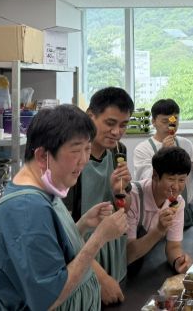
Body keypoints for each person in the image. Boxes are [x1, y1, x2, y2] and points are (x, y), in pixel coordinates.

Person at [0, 105, 129, 311]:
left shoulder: (45, 189)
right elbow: (48, 297)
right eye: (76, 150)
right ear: (42, 156)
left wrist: (82, 225)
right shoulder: (25, 210)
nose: (84, 160)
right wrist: (99, 238)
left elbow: (50, 250)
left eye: (87, 149)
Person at [64, 87, 133, 305]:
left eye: (123, 125)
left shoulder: (118, 151)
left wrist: (119, 191)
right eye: (110, 123)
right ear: (90, 116)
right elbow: (66, 231)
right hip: (82, 253)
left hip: (113, 251)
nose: (116, 132)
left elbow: (124, 208)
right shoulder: (72, 158)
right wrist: (101, 277)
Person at [126, 146, 193, 274]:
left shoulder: (178, 202)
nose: (176, 187)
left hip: (149, 269)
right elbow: (128, 255)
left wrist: (178, 261)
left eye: (181, 180)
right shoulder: (132, 198)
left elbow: (173, 246)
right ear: (155, 176)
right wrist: (159, 230)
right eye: (171, 179)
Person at [134, 98, 193, 227]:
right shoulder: (143, 149)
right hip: (156, 212)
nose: (170, 126)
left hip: (184, 209)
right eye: (165, 121)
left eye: (174, 121)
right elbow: (145, 180)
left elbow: (192, 180)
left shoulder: (186, 144)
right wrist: (162, 152)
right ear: (153, 122)